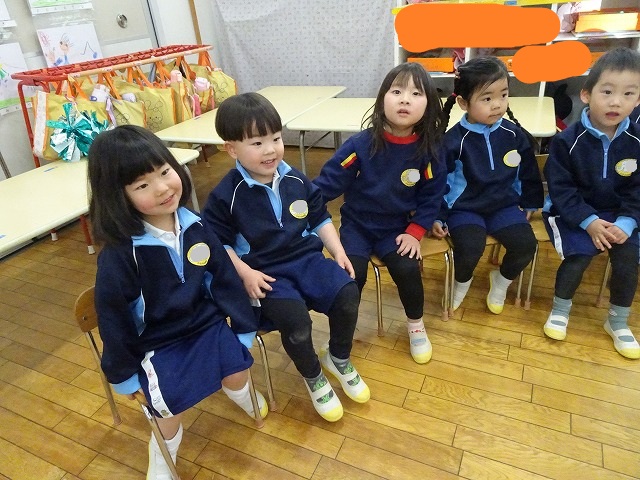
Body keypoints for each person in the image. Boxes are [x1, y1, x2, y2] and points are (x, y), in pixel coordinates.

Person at [87, 125, 267, 480]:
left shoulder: (196, 225)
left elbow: (224, 278)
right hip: (157, 342)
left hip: (206, 323)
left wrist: (244, 326)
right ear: (118, 197)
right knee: (168, 409)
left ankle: (242, 395)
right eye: (142, 185)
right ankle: (162, 452)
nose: (162, 188)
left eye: (165, 171)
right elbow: (113, 319)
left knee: (237, 369)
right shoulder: (120, 255)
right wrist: (123, 375)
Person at [202, 92, 370, 423]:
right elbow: (218, 244)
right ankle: (313, 376)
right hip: (265, 273)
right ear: (231, 149)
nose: (271, 150)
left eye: (276, 139)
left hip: (306, 261)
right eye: (257, 143)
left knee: (347, 293)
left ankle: (337, 357)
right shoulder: (225, 195)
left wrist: (337, 251)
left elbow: (320, 218)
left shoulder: (296, 178)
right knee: (296, 324)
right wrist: (245, 273)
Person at [313, 62, 446, 365]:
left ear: (428, 104)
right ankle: (340, 341)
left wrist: (416, 231)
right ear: (382, 98)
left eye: (416, 93)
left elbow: (432, 196)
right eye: (396, 91)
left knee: (407, 269)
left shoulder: (429, 151)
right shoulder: (360, 145)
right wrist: (298, 206)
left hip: (397, 228)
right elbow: (328, 183)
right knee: (351, 275)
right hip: (357, 227)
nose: (405, 99)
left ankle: (416, 325)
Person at [542, 48, 640, 359]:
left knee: (628, 258)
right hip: (574, 213)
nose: (616, 102)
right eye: (607, 92)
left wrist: (627, 222)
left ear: (638, 99)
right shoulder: (566, 141)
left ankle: (618, 321)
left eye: (628, 94)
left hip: (620, 215)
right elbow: (561, 190)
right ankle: (560, 309)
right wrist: (589, 221)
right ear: (586, 94)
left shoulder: (636, 141)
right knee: (579, 255)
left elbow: (637, 190)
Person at [432, 56, 543, 315]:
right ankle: (461, 283)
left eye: (503, 95)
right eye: (487, 98)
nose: (497, 104)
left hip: (503, 205)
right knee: (470, 249)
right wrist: (437, 215)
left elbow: (527, 171)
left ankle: (501, 282)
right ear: (463, 103)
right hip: (465, 209)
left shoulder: (514, 135)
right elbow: (439, 183)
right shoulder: (453, 141)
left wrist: (530, 201)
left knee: (526, 245)